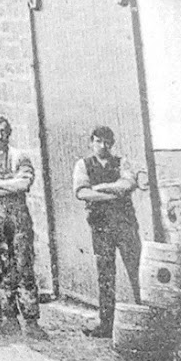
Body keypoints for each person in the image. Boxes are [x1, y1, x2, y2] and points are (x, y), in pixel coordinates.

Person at [0, 115, 48, 341]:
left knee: (24, 265)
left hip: (18, 216)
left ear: (9, 132)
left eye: (4, 131)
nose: (0, 136)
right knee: (1, 266)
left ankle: (31, 321)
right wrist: (9, 187)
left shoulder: (20, 156)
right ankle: (9, 319)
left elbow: (24, 184)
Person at [74, 125, 143, 338]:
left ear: (112, 144)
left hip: (125, 225)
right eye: (98, 141)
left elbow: (128, 183)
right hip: (101, 226)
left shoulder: (122, 162)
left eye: (107, 143)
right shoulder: (82, 165)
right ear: (91, 142)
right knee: (105, 274)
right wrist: (111, 194)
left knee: (137, 269)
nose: (103, 146)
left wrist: (99, 188)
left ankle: (146, 318)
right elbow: (82, 192)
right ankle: (106, 324)